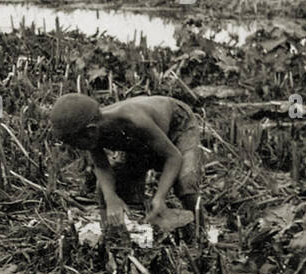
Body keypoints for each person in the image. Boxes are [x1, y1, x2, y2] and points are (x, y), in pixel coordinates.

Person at [49, 93, 203, 224]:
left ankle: (201, 233)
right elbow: (102, 167)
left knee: (186, 182)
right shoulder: (93, 131)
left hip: (178, 125)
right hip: (141, 145)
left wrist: (160, 197)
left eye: (74, 144)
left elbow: (173, 156)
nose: (75, 149)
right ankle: (129, 237)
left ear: (90, 131)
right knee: (108, 189)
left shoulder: (133, 119)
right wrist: (111, 200)